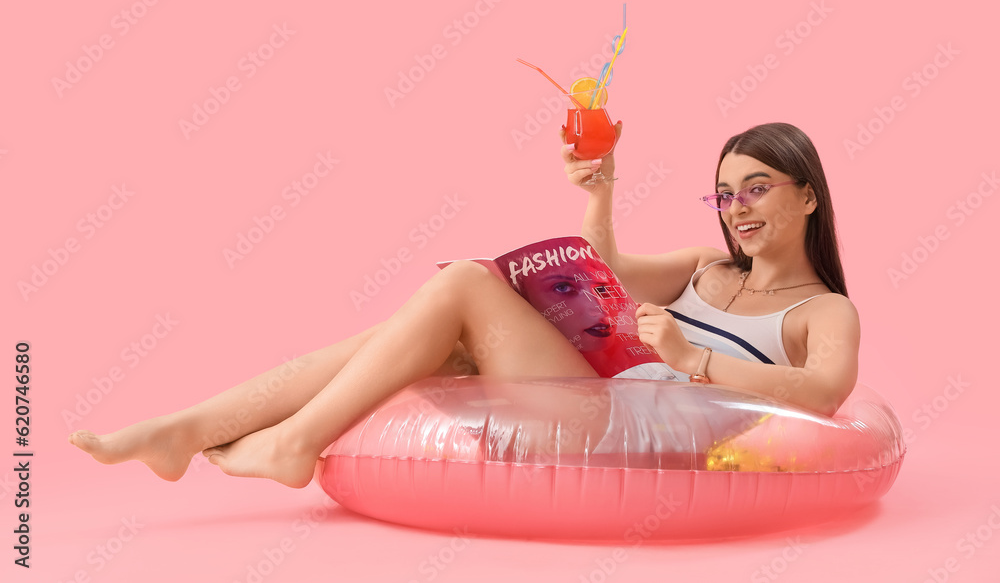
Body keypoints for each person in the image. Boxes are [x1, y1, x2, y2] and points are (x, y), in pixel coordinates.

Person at [69, 121, 858, 488]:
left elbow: (824, 393)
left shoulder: (824, 310)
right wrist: (601, 188)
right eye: (724, 193)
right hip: (606, 387)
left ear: (808, 197)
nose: (737, 207)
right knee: (419, 329)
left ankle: (292, 443)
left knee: (464, 285)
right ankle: (190, 429)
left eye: (756, 188)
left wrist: (694, 359)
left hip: (656, 429)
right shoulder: (702, 265)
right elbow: (605, 266)